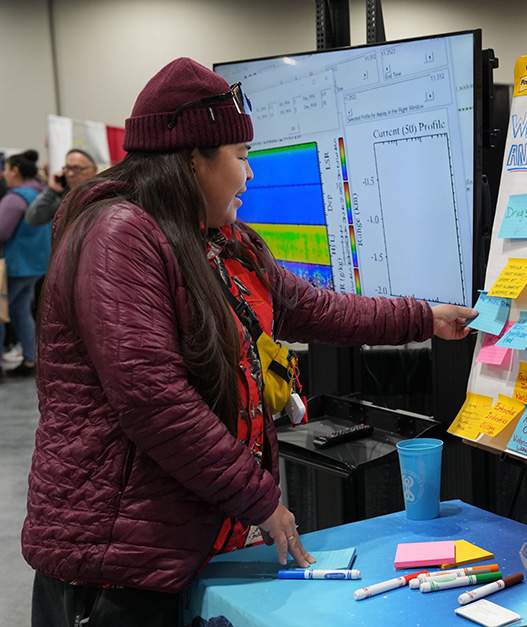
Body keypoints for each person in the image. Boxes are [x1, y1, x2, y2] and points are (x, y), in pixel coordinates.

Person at [22, 57, 477, 627]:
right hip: (116, 562)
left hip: (179, 544)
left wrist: (424, 318)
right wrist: (259, 498)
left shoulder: (220, 241)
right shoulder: (120, 235)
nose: (250, 175)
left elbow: (315, 307)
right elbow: (154, 401)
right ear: (192, 160)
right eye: (241, 157)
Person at [0, 150, 50, 380]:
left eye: (7, 169)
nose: (4, 174)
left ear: (15, 171)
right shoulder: (42, 192)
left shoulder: (15, 198)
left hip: (15, 264)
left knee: (2, 313)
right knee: (20, 310)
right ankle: (31, 359)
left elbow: (1, 231)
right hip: (36, 263)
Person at [25, 147, 98, 226]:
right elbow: (33, 218)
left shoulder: (102, 194)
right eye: (68, 168)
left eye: (77, 168)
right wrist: (51, 190)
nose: (70, 174)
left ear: (94, 169)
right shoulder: (65, 197)